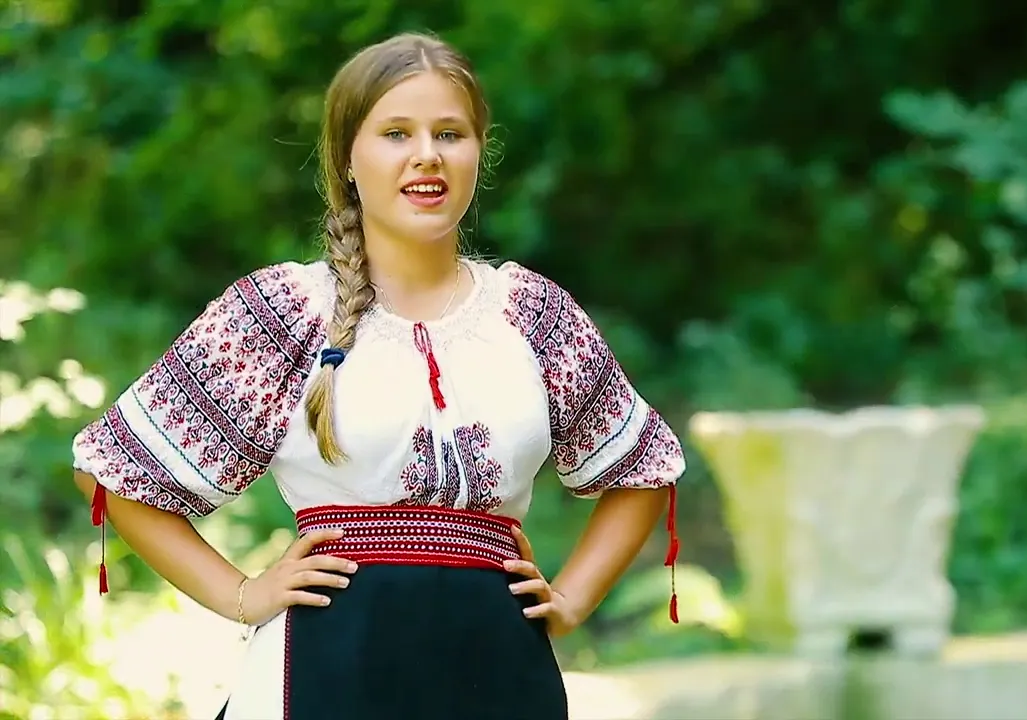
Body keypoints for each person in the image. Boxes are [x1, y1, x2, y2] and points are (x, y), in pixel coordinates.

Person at [70, 31, 686, 720]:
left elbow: (644, 470)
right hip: (324, 674)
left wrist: (571, 599)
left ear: (479, 152)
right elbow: (114, 474)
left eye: (449, 133)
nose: (427, 154)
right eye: (396, 133)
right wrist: (241, 594)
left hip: (498, 676)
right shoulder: (281, 314)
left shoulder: (533, 315)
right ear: (348, 157)